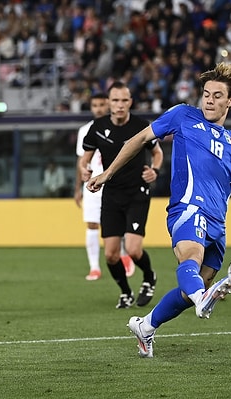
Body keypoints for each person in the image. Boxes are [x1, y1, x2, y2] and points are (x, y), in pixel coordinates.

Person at [87, 63, 231, 358]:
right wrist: (107, 172)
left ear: (230, 101)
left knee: (194, 289)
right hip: (187, 209)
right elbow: (138, 139)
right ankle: (202, 298)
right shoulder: (183, 116)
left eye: (217, 96)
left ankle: (146, 326)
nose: (209, 100)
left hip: (218, 223)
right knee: (191, 259)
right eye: (206, 94)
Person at [79, 81, 163, 309]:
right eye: (115, 100)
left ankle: (149, 277)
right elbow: (84, 158)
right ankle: (126, 292)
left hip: (137, 192)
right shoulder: (97, 127)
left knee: (134, 250)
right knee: (111, 255)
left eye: (124, 100)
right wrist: (84, 170)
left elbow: (157, 153)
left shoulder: (141, 125)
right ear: (108, 102)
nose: (119, 105)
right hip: (111, 193)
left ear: (130, 102)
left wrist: (154, 171)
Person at [74, 93, 136, 281]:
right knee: (92, 224)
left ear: (108, 104)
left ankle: (124, 254)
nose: (99, 108)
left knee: (120, 223)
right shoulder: (85, 130)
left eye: (102, 104)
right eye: (95, 105)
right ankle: (94, 267)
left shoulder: (122, 127)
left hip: (116, 183)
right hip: (92, 184)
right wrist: (77, 187)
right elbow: (81, 160)